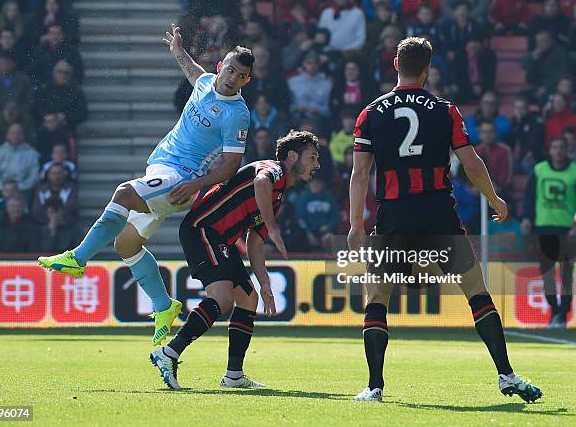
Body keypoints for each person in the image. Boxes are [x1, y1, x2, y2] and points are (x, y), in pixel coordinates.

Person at [348, 36, 541, 403]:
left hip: (395, 214)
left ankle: (374, 387)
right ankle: (506, 375)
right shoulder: (445, 110)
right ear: (427, 70)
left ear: (395, 65)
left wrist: (357, 225)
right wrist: (494, 198)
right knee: (477, 293)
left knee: (378, 297)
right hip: (439, 212)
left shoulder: (370, 113)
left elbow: (360, 174)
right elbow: (471, 163)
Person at [39, 24, 254, 347]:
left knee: (124, 193)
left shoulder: (237, 114)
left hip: (180, 179)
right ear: (221, 67)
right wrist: (178, 51)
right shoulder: (207, 82)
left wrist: (196, 183)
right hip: (163, 168)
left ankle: (78, 258)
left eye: (240, 76)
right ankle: (164, 306)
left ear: (245, 81)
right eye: (230, 70)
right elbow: (193, 71)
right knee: (125, 245)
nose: (231, 77)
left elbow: (230, 165)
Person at [150, 130, 320, 390]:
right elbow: (261, 182)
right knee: (223, 298)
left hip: (221, 240)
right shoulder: (272, 169)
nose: (317, 165)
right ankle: (169, 353)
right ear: (293, 156)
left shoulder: (277, 196)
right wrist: (274, 228)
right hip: (203, 229)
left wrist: (265, 284)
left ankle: (233, 375)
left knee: (249, 299)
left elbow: (255, 241)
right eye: (313, 157)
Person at [521, 137, 575, 328]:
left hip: (568, 230)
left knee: (567, 274)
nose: (558, 150)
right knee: (547, 273)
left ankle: (563, 312)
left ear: (567, 150)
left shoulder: (574, 171)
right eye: (554, 146)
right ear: (550, 149)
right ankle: (554, 309)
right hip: (543, 227)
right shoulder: (539, 169)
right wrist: (527, 217)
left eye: (562, 147)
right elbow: (529, 197)